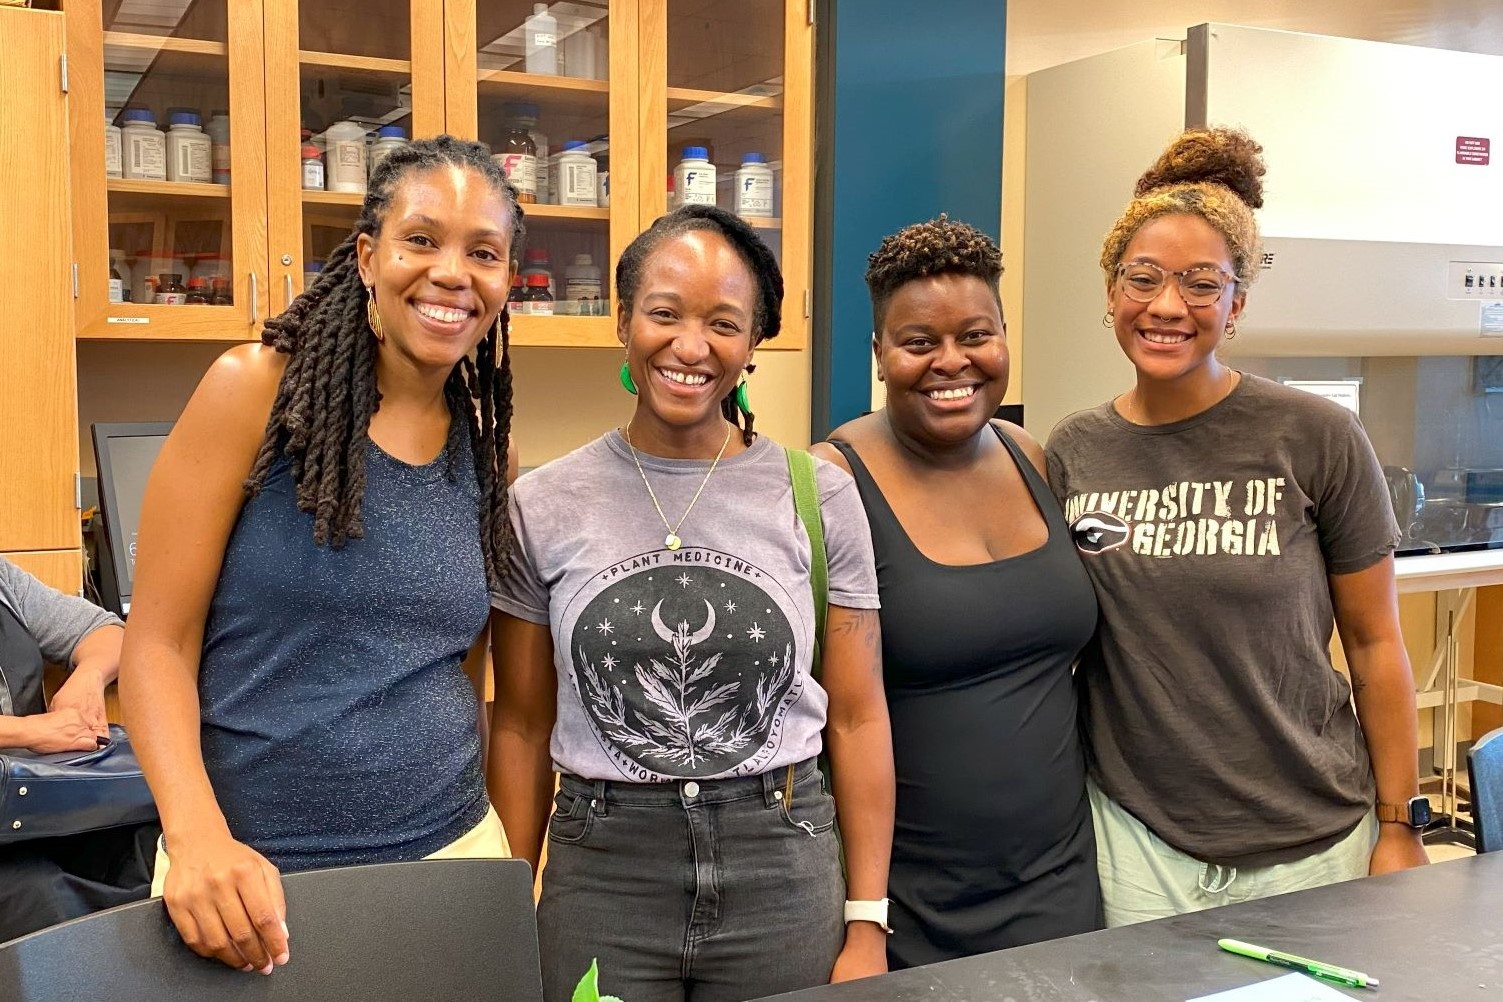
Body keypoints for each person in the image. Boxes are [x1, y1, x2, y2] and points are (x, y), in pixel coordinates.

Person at [119, 135, 523, 973]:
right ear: (369, 256)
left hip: (449, 865)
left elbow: (464, 665)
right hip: (248, 885)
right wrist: (195, 839)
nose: (453, 273)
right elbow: (156, 644)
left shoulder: (487, 447)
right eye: (422, 240)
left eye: (483, 252)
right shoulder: (252, 393)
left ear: (505, 280)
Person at [490, 204, 894, 1002]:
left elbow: (857, 717)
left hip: (781, 856)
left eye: (723, 323)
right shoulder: (541, 503)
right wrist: (510, 897)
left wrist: (866, 920)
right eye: (664, 313)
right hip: (603, 866)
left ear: (752, 345)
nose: (690, 346)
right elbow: (522, 721)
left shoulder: (819, 496)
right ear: (622, 320)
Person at [1045, 127, 1428, 927]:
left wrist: (1399, 824)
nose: (1165, 306)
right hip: (1138, 844)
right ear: (1110, 293)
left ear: (1236, 305)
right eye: (1141, 278)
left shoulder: (1314, 435)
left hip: (1314, 835)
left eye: (1199, 284)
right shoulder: (1073, 450)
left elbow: (1373, 645)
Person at [812, 216, 1101, 967]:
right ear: (879, 354)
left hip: (1060, 880)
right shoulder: (832, 481)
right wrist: (863, 919)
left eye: (976, 335)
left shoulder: (1031, 456)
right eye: (918, 343)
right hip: (906, 900)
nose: (952, 362)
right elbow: (838, 715)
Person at [0, 556, 158, 943]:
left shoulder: (4, 580)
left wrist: (88, 677)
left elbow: (109, 632)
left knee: (153, 844)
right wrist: (25, 731)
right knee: (40, 898)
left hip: (32, 807)